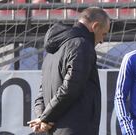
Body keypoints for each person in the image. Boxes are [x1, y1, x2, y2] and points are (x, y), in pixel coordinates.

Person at [27, 7, 110, 135]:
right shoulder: (83, 45)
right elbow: (71, 87)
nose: (102, 40)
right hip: (76, 129)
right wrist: (44, 118)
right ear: (95, 26)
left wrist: (43, 118)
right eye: (104, 34)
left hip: (54, 130)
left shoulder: (51, 51)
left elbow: (41, 93)